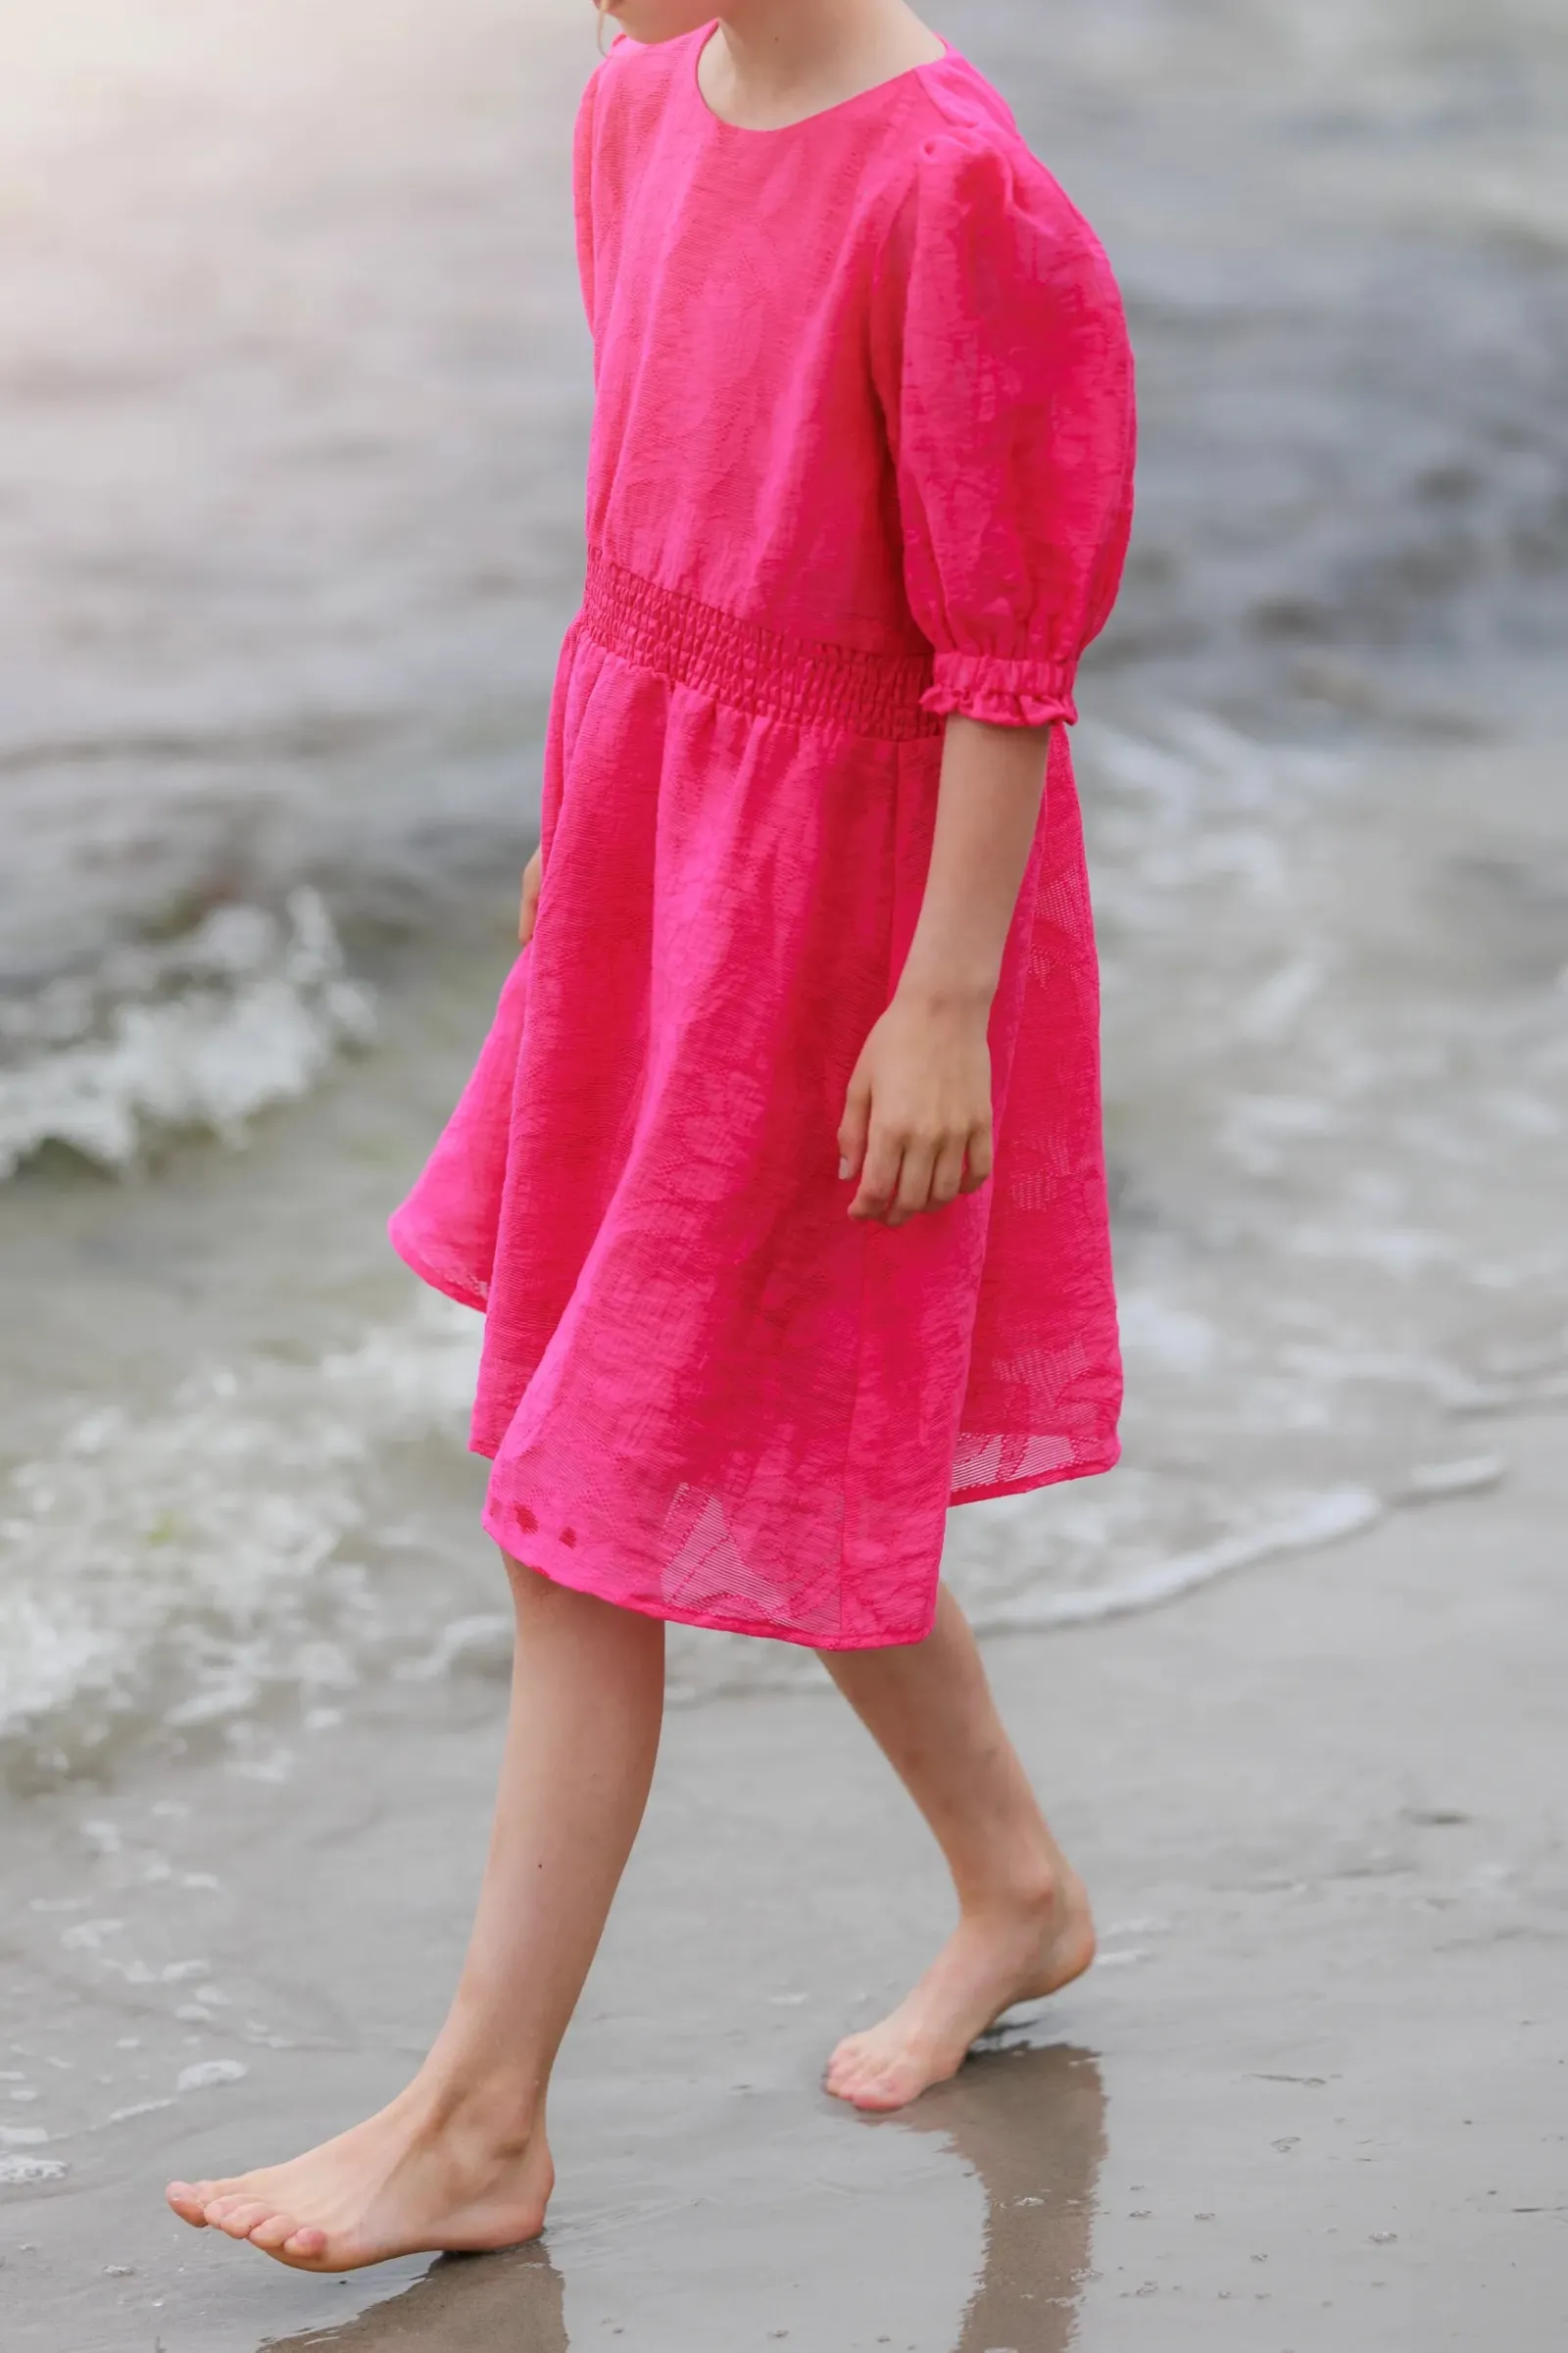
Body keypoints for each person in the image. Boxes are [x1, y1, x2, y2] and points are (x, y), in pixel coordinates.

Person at [167, 0, 1135, 2275]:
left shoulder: (952, 194)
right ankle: (1013, 1887)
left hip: (846, 922)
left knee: (582, 1495)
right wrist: (575, 834)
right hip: (652, 864)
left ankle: (479, 2116)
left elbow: (1001, 653)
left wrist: (939, 1004)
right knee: (733, 1431)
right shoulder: (632, 106)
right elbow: (644, 532)